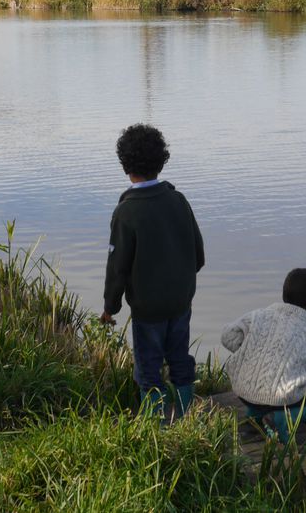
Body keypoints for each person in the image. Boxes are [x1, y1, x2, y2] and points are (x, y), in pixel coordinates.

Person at [100, 124, 205, 419]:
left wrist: (110, 307)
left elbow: (117, 267)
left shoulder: (127, 212)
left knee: (148, 366)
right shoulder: (178, 200)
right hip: (181, 301)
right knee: (179, 358)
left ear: (125, 165)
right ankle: (184, 417)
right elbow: (198, 255)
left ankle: (156, 426)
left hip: (148, 308)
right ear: (162, 161)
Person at [221, 267, 306, 438]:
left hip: (243, 391)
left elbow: (227, 336)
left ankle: (254, 414)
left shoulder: (259, 315)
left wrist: (253, 351)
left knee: (263, 388)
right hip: (280, 400)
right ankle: (285, 418)